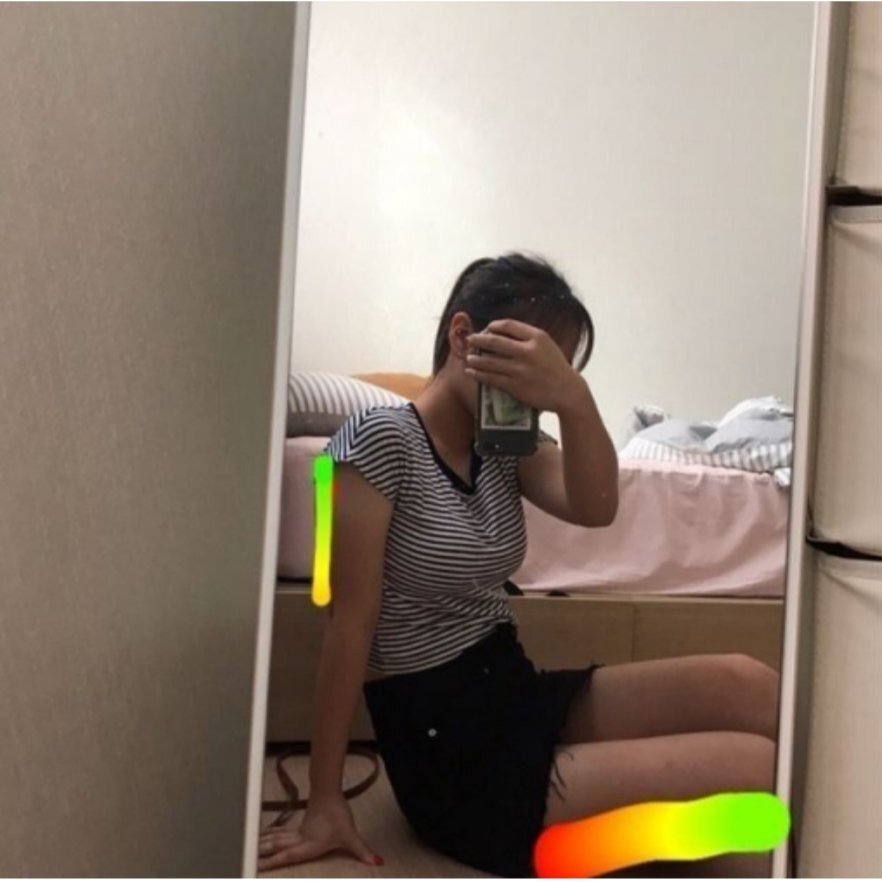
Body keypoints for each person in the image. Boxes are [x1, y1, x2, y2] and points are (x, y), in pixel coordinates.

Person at [258, 254, 779, 878]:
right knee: (754, 766)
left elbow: (597, 507)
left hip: (511, 688)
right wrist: (324, 799)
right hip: (451, 754)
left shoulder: (504, 444)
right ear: (463, 337)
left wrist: (573, 400)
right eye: (525, 363)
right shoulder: (381, 438)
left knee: (748, 684)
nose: (533, 389)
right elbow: (350, 624)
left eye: (549, 369)